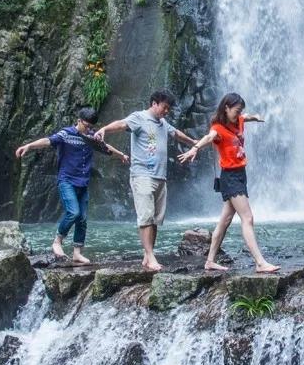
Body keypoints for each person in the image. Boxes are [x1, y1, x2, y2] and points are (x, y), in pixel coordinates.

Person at [95, 89, 198, 271]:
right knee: (145, 217)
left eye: (168, 109)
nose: (167, 111)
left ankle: (147, 255)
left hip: (160, 177)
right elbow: (121, 124)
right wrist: (104, 129)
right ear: (154, 103)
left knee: (155, 219)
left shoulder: (163, 123)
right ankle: (150, 256)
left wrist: (196, 144)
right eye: (165, 107)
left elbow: (177, 134)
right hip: (142, 175)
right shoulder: (139, 118)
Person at [178, 92, 280, 274]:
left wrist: (255, 117)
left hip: (240, 174)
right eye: (236, 110)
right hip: (230, 177)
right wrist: (195, 148)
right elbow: (209, 137)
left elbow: (246, 117)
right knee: (247, 218)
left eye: (240, 110)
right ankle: (260, 262)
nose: (239, 113)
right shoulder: (218, 128)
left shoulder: (239, 120)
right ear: (226, 108)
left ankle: (209, 261)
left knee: (225, 220)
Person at [15, 107, 128, 264]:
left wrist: (121, 155)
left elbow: (105, 148)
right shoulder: (66, 134)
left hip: (83, 182)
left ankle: (77, 253)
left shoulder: (91, 137)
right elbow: (48, 141)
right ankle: (57, 242)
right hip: (67, 180)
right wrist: (29, 146)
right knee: (73, 212)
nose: (89, 129)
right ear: (79, 121)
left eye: (91, 127)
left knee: (82, 218)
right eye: (87, 125)